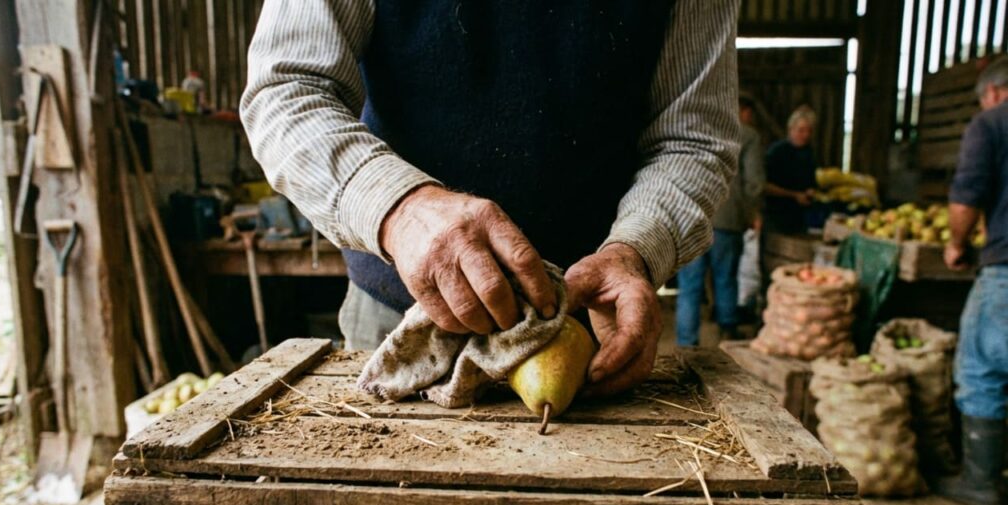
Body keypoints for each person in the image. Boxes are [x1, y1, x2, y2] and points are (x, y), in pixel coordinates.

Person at [241, 2, 740, 398]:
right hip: (404, 322)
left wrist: (636, 248)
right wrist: (403, 210)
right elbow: (286, 87)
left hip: (585, 329)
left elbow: (693, 140)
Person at [936, 57, 1008, 505]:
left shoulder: (992, 123)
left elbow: (967, 196)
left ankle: (981, 482)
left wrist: (956, 245)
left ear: (995, 92)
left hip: (1005, 268)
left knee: (981, 366)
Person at [675, 95, 763, 345]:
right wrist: (751, 213)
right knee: (726, 277)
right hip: (727, 219)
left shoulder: (692, 131)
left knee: (690, 286)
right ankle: (727, 331)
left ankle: (686, 344)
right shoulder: (748, 135)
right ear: (743, 111)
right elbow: (754, 182)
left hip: (690, 220)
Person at [763, 106, 817, 234]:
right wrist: (794, 195)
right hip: (776, 217)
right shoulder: (776, 152)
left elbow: (811, 181)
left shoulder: (808, 153)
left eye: (809, 131)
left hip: (799, 217)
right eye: (801, 130)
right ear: (791, 129)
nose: (805, 135)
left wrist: (810, 191)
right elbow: (764, 186)